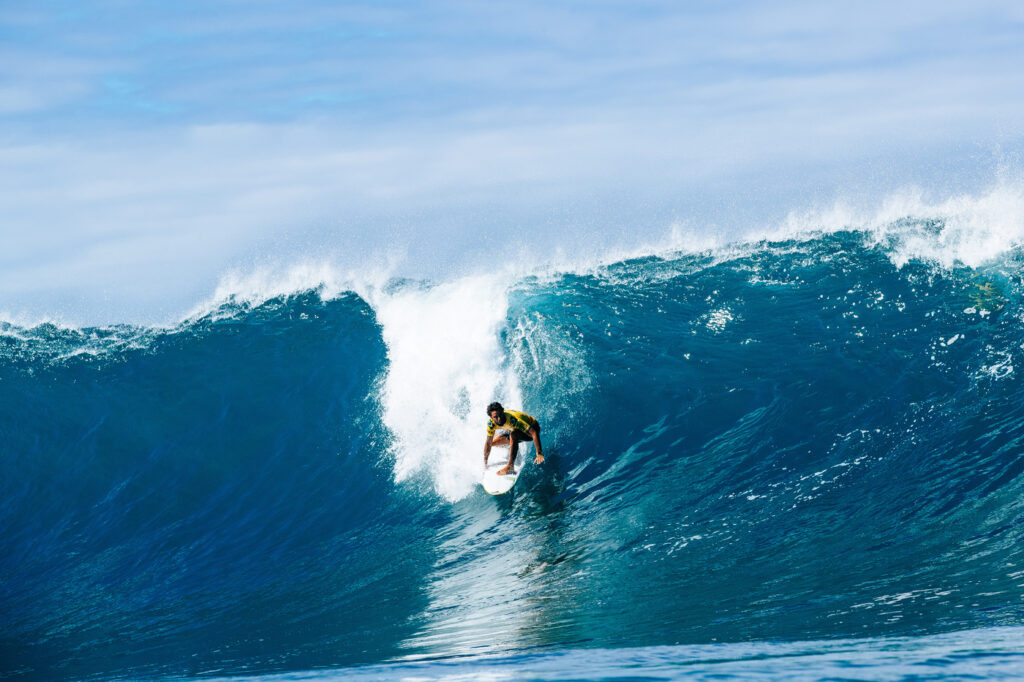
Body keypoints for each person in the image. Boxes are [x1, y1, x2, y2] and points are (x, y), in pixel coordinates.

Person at [483, 401, 544, 476]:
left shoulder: (513, 420)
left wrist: (539, 453)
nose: (499, 419)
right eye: (495, 417)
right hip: (513, 428)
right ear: (491, 418)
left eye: (500, 415)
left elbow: (534, 432)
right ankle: (509, 442)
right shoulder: (491, 424)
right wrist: (485, 462)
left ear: (503, 411)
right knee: (492, 443)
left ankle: (510, 466)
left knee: (513, 435)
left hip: (532, 429)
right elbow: (488, 443)